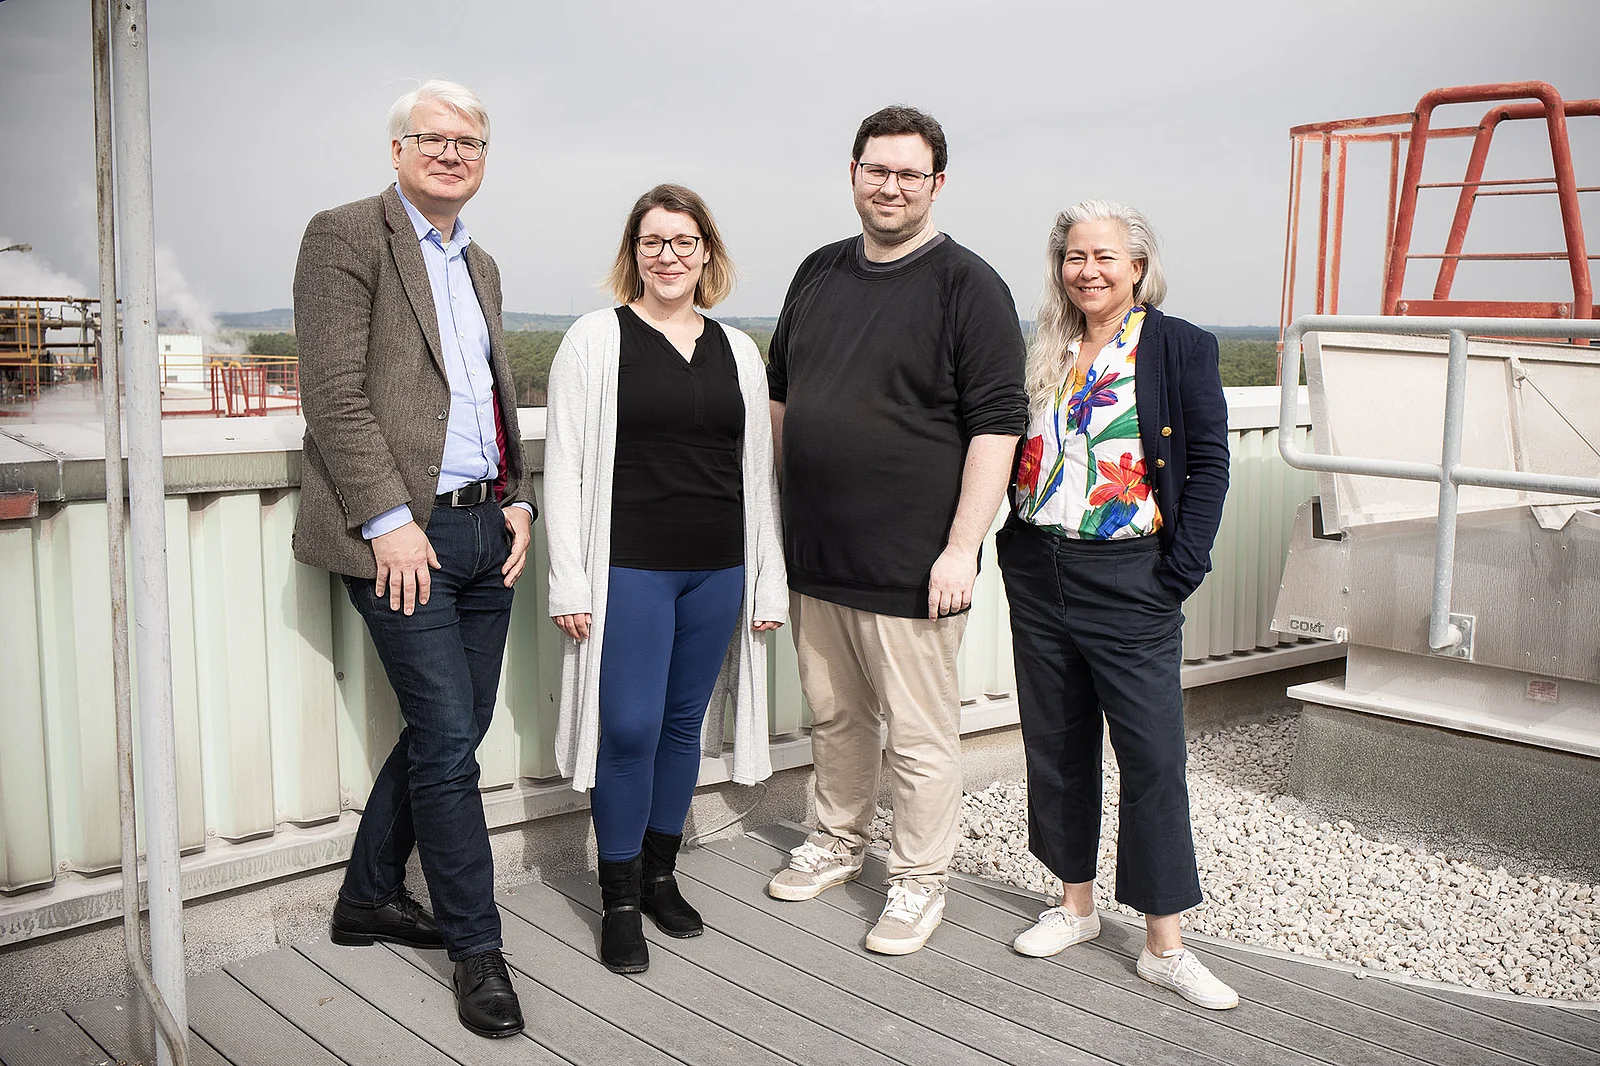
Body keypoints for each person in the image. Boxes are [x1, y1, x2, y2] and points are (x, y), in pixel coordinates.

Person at [292, 79, 531, 1038]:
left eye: (469, 142)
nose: (452, 154)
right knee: (446, 744)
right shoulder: (346, 236)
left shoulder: (485, 266)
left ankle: (367, 897)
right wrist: (390, 521)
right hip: (403, 537)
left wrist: (517, 499)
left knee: (454, 731)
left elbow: (486, 402)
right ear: (397, 150)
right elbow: (336, 397)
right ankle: (481, 953)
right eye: (432, 139)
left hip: (485, 530)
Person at [764, 106, 1028, 955]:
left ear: (936, 184)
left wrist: (960, 548)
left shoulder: (968, 284)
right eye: (877, 170)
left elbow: (997, 424)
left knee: (918, 736)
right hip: (816, 554)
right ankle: (838, 841)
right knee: (837, 719)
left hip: (915, 563)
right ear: (852, 173)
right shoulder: (817, 271)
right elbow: (781, 396)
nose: (891, 186)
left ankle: (918, 882)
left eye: (909, 174)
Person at [996, 199, 1236, 1009]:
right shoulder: (1046, 345)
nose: (1087, 270)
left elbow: (1208, 463)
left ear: (1138, 264)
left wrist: (1179, 570)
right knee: (1058, 746)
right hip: (1038, 569)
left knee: (1153, 757)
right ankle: (1076, 906)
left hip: (1132, 576)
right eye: (1073, 256)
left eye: (1103, 256)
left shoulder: (1178, 346)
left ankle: (1164, 944)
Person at [544, 184, 787, 975]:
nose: (669, 256)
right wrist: (570, 581)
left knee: (686, 727)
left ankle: (659, 874)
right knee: (629, 729)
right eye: (653, 242)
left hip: (717, 567)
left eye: (684, 242)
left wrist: (765, 580)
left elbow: (757, 474)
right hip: (631, 570)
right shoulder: (595, 340)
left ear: (707, 254)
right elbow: (567, 466)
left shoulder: (739, 350)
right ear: (634, 253)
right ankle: (617, 900)